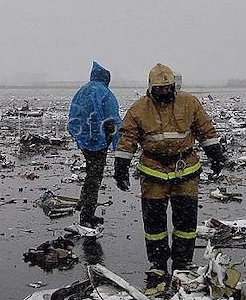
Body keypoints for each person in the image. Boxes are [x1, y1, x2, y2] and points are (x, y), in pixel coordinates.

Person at [113, 63, 224, 282]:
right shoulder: (139, 109)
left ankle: (182, 262)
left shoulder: (189, 103)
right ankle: (158, 263)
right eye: (160, 88)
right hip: (153, 173)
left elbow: (205, 130)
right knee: (155, 225)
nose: (165, 91)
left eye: (168, 87)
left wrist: (216, 155)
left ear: (174, 86)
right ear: (150, 87)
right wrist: (121, 167)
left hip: (186, 172)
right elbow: (127, 139)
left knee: (185, 225)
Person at [66, 61, 121, 229]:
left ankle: (85, 207)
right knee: (94, 177)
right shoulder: (104, 93)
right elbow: (112, 119)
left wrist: (80, 135)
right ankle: (87, 216)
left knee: (92, 174)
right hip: (98, 141)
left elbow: (74, 115)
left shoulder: (82, 91)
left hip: (84, 140)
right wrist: (114, 140)